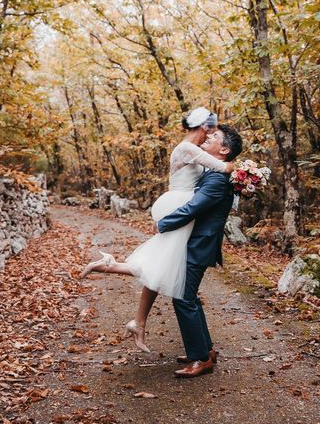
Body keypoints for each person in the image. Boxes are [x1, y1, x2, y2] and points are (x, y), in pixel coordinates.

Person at [80, 107, 234, 352]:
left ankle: (136, 318)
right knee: (167, 268)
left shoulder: (193, 150)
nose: (212, 135)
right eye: (212, 130)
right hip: (177, 206)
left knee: (164, 264)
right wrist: (248, 173)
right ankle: (114, 276)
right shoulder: (187, 148)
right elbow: (225, 168)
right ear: (204, 127)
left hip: (178, 204)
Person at [156, 124, 242, 377]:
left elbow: (194, 207)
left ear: (224, 150)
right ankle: (205, 350)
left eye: (214, 136)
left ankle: (200, 359)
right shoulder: (213, 171)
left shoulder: (217, 178)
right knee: (188, 296)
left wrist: (163, 223)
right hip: (197, 242)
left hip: (199, 244)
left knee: (183, 297)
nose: (208, 136)